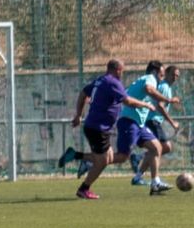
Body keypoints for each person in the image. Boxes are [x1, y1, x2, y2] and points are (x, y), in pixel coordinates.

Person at [59, 58, 155, 199]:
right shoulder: (113, 82)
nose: (122, 73)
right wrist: (145, 104)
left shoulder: (100, 80)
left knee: (111, 157)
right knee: (102, 162)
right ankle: (83, 189)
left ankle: (76, 156)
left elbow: (83, 93)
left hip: (98, 127)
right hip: (98, 128)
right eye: (122, 71)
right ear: (117, 70)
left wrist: (79, 114)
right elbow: (128, 101)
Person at [129, 61, 179, 189]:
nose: (175, 78)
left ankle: (138, 176)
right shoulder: (164, 86)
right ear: (166, 73)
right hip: (152, 120)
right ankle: (148, 173)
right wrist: (172, 122)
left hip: (153, 120)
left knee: (157, 149)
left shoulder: (166, 87)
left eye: (177, 76)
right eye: (173, 74)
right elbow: (160, 106)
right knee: (165, 147)